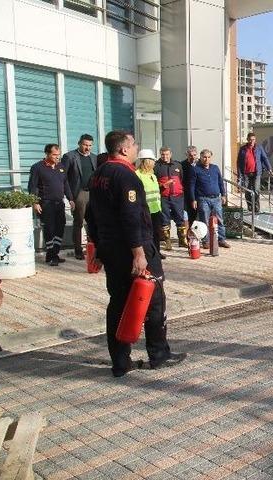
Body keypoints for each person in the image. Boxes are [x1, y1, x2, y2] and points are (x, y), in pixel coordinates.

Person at [85, 130, 185, 377]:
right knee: (153, 299)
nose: (136, 147)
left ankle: (120, 361)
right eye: (133, 144)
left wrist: (98, 246)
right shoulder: (125, 175)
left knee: (118, 303)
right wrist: (139, 253)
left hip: (110, 249)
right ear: (123, 149)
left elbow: (90, 215)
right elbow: (131, 218)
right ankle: (159, 354)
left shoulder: (99, 174)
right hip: (134, 248)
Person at [29, 144, 74, 267]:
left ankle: (53, 254)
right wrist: (35, 202)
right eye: (54, 155)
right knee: (49, 229)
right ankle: (52, 255)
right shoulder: (37, 167)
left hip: (59, 203)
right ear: (47, 154)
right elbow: (32, 186)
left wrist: (70, 199)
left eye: (58, 155)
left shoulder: (61, 167)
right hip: (46, 203)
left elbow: (66, 184)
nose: (57, 157)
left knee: (60, 228)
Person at [62, 134, 96, 260]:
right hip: (79, 193)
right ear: (79, 143)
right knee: (79, 222)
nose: (87, 148)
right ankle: (78, 250)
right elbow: (63, 178)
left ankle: (93, 248)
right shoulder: (69, 157)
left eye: (90, 145)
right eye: (85, 145)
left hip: (92, 193)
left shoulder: (94, 158)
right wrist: (70, 197)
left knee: (93, 222)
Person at [190, 149, 230, 249]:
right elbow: (192, 186)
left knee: (219, 219)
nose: (206, 159)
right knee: (204, 221)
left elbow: (220, 182)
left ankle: (221, 240)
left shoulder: (215, 168)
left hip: (216, 199)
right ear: (201, 157)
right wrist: (193, 199)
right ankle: (205, 241)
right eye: (204, 157)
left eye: (208, 157)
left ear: (210, 158)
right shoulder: (196, 169)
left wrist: (224, 195)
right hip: (203, 199)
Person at [154, 147, 186, 250]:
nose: (165, 156)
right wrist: (163, 185)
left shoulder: (178, 165)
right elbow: (153, 183)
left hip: (177, 197)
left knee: (180, 218)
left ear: (171, 154)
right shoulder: (156, 166)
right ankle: (167, 241)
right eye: (163, 154)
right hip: (164, 197)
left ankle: (182, 241)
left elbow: (182, 179)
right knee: (165, 219)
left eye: (167, 154)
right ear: (160, 154)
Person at [136, 150, 165, 259]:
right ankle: (148, 254)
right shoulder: (137, 175)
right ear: (147, 161)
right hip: (144, 210)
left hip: (156, 209)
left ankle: (156, 252)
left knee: (156, 233)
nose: (154, 162)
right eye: (153, 160)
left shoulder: (152, 175)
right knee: (146, 234)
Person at [236, 133, 272, 213]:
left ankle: (256, 208)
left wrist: (269, 168)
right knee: (248, 191)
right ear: (247, 139)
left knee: (256, 190)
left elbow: (264, 158)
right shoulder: (243, 149)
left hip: (257, 172)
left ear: (255, 140)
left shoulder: (259, 148)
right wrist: (239, 174)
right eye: (250, 139)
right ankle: (250, 208)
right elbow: (238, 162)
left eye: (253, 139)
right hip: (246, 173)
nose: (252, 141)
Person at [180, 146, 199, 229]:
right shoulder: (182, 165)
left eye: (194, 155)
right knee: (187, 215)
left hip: (198, 193)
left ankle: (196, 235)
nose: (193, 157)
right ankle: (187, 235)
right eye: (190, 155)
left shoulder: (200, 164)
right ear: (186, 155)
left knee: (196, 215)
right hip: (186, 194)